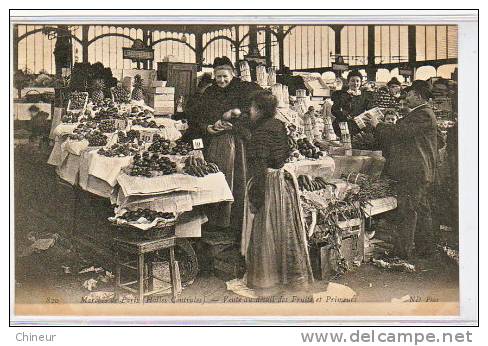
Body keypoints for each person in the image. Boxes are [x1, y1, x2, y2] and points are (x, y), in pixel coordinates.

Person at [242, 90, 313, 295]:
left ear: (260, 110)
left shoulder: (260, 133)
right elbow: (286, 151)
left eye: (252, 108)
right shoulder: (278, 125)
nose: (250, 111)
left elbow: (259, 167)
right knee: (286, 229)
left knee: (267, 230)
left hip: (270, 184)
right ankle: (290, 278)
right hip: (283, 183)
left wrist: (257, 196)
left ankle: (267, 281)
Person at [365, 80, 438, 259]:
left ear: (419, 96)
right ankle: (425, 248)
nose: (407, 97)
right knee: (420, 209)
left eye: (410, 94)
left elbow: (400, 133)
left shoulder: (423, 114)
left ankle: (401, 252)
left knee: (407, 210)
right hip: (419, 170)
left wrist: (377, 125)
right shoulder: (419, 113)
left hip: (414, 171)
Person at [195, 56, 261, 237]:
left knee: (238, 181)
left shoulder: (245, 89)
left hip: (238, 143)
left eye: (225, 76)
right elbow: (198, 117)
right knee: (217, 179)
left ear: (233, 74)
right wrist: (208, 127)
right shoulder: (209, 93)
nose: (222, 80)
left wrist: (238, 118)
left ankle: (236, 222)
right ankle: (218, 222)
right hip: (215, 144)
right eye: (218, 77)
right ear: (214, 77)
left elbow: (258, 109)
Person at [331, 70, 374, 136]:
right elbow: (334, 110)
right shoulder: (341, 95)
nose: (355, 83)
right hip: (344, 124)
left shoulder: (365, 95)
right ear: (348, 82)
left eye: (357, 81)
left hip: (360, 125)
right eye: (352, 81)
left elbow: (369, 109)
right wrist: (345, 116)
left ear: (361, 83)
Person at [180, 73, 213, 144]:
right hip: (198, 133)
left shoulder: (194, 97)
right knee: (198, 151)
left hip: (196, 131)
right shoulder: (201, 99)